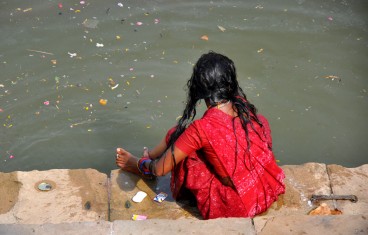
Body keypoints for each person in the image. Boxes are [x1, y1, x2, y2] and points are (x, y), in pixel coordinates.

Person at [116, 51, 285, 219]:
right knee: (184, 137)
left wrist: (143, 165)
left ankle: (144, 164)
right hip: (267, 189)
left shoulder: (202, 128)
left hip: (238, 206)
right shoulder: (245, 108)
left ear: (199, 88)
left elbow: (161, 170)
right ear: (230, 83)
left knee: (177, 138)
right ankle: (150, 156)